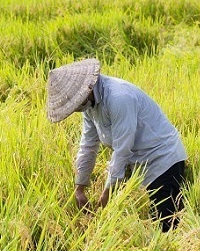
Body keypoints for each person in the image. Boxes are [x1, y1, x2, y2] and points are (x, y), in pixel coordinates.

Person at [45, 57, 189, 230]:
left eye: (75, 104)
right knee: (139, 220)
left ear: (84, 91)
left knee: (165, 225)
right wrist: (80, 188)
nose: (75, 108)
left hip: (162, 159)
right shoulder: (89, 105)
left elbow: (122, 149)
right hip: (137, 164)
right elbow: (88, 145)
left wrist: (107, 193)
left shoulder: (118, 97)